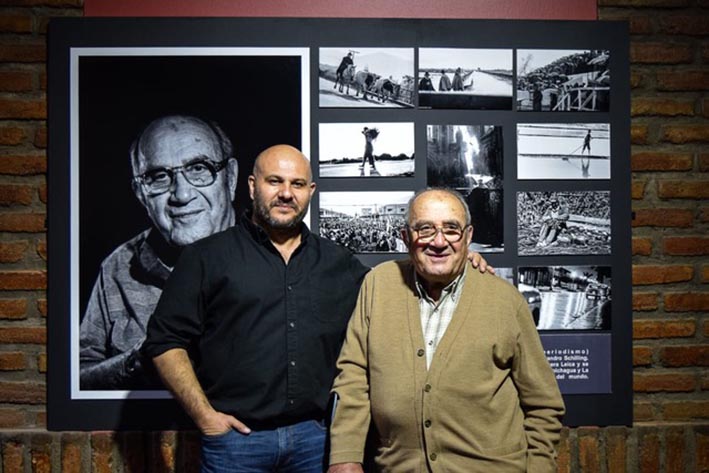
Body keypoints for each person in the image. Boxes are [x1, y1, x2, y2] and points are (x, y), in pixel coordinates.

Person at [144, 148, 493, 473]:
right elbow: (164, 341)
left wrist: (457, 262)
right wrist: (206, 417)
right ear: (252, 186)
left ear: (310, 191)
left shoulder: (338, 262)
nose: (286, 193)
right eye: (275, 181)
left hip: (316, 441)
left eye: (297, 184)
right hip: (236, 443)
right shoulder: (206, 257)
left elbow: (394, 287)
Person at [327, 188, 565, 473]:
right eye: (425, 229)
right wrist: (345, 456)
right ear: (405, 237)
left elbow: (543, 405)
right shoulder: (378, 285)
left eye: (451, 229)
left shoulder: (506, 301)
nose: (439, 242)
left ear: (468, 236)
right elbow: (353, 376)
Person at [79, 115, 238, 390]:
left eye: (199, 168)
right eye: (159, 177)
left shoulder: (273, 257)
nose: (182, 194)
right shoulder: (118, 267)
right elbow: (77, 376)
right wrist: (135, 363)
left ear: (231, 178)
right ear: (140, 194)